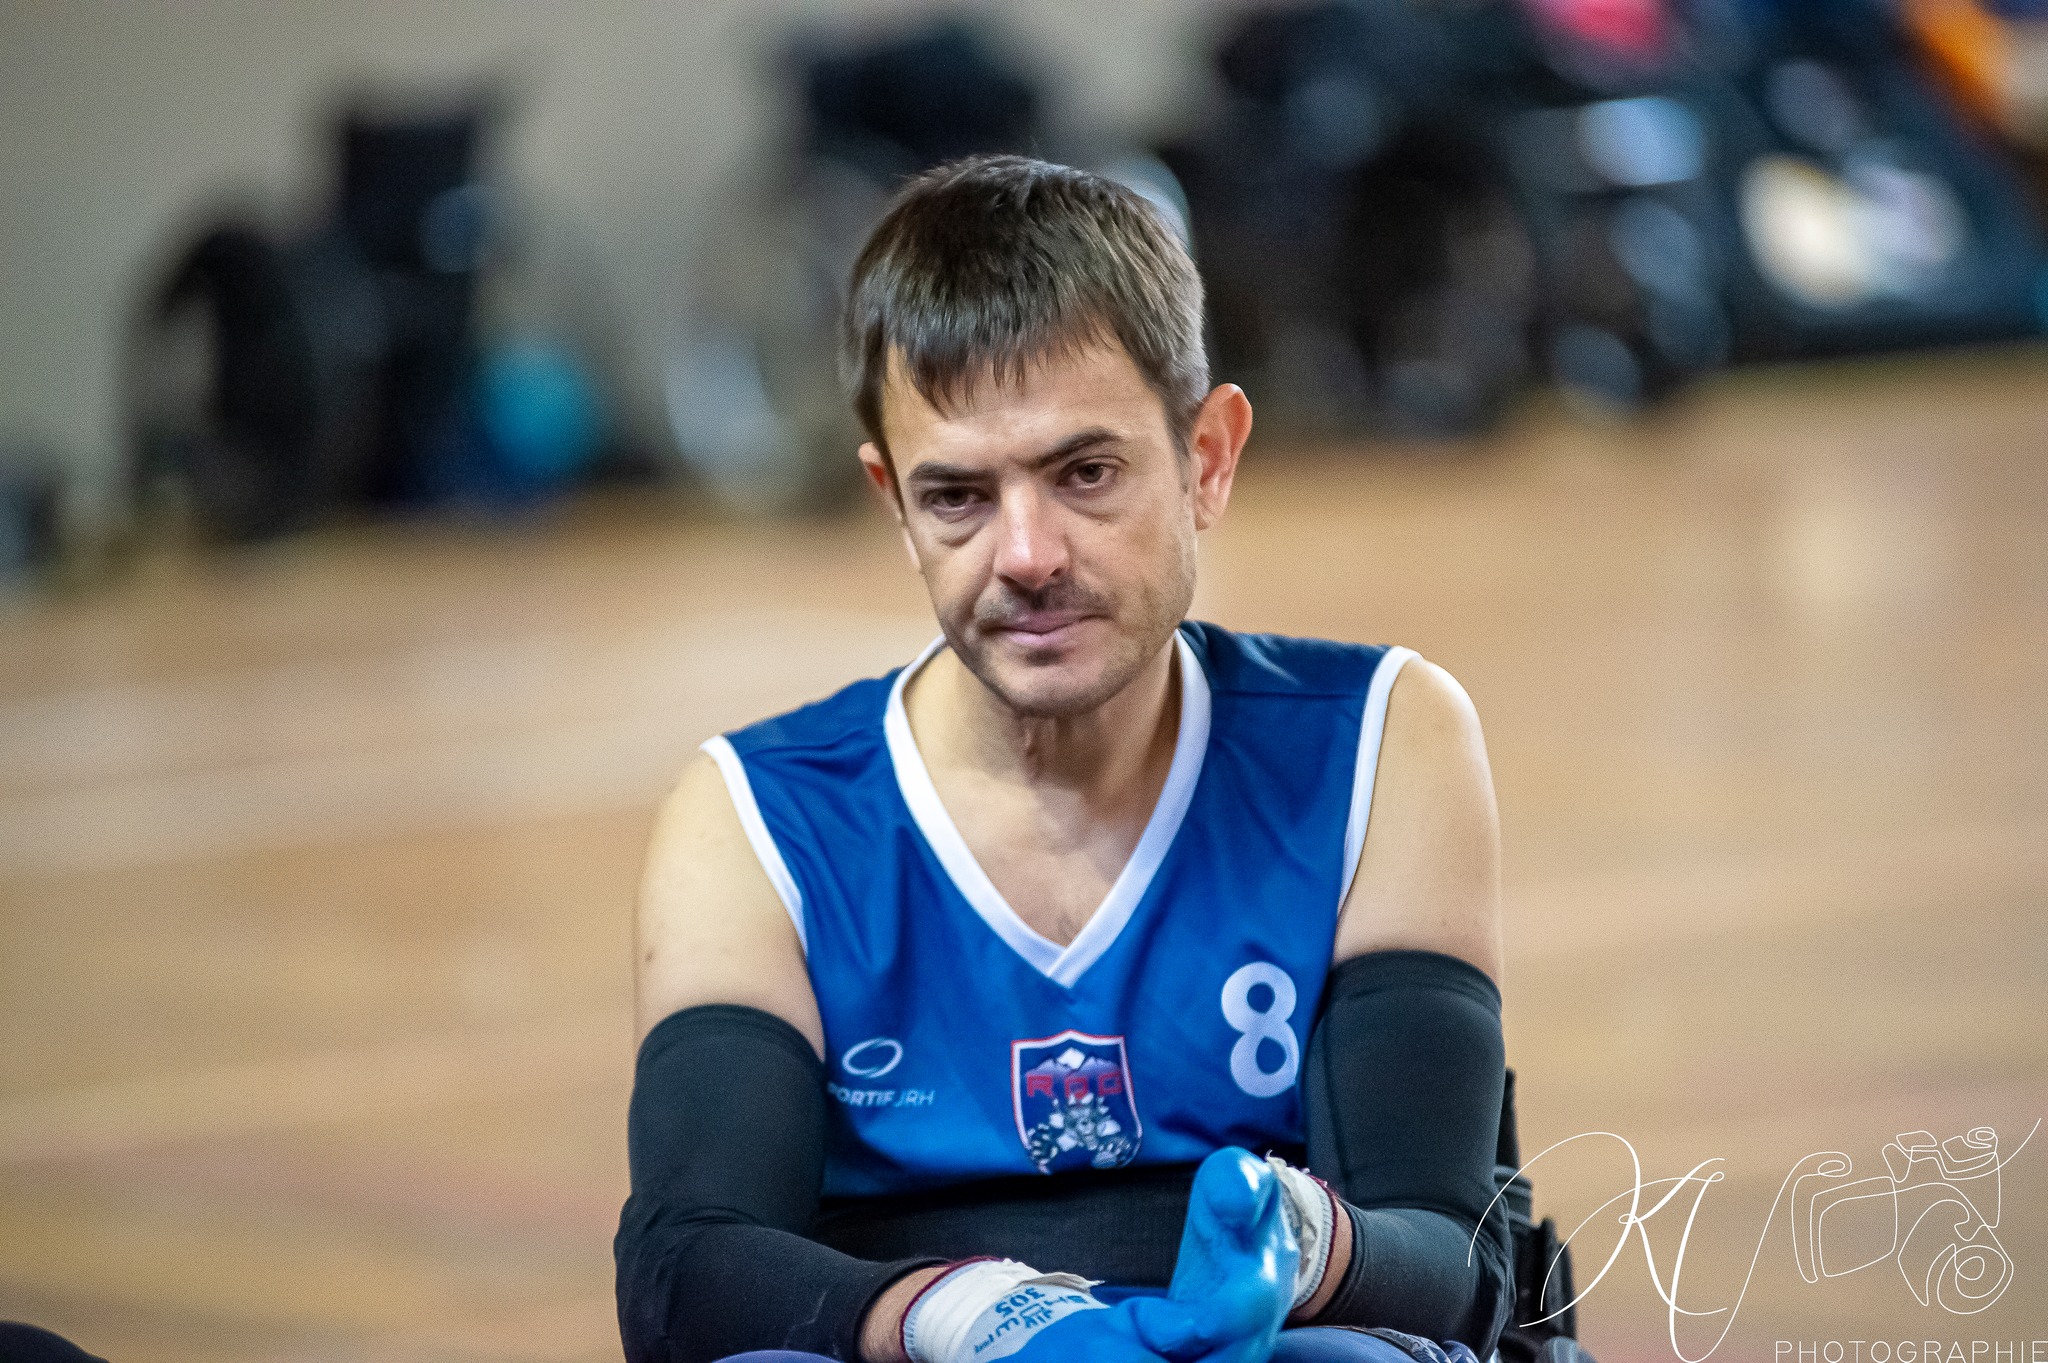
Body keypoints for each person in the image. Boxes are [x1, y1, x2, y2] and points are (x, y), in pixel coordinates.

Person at [616, 155, 1522, 1363]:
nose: (1027, 552)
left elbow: (1457, 1262)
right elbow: (686, 1267)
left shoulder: (1377, 740)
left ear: (1207, 457)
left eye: (1083, 473)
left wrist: (1303, 1239)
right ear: (890, 500)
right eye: (957, 497)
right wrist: (964, 1312)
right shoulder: (752, 820)